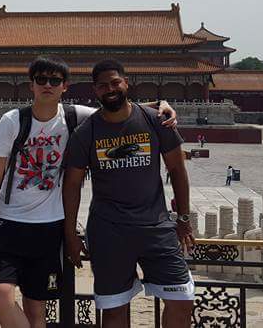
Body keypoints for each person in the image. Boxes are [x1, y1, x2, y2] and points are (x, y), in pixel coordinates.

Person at [0, 56, 177, 328]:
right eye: (41, 80)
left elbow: (117, 107)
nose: (47, 85)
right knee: (0, 293)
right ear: (31, 85)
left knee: (36, 309)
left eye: (55, 81)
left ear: (65, 86)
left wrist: (161, 104)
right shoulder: (12, 120)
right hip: (8, 223)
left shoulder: (75, 116)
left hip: (49, 226)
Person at [63, 60, 195, 327]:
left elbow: (177, 170)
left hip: (156, 227)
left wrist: (183, 218)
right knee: (114, 310)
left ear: (126, 83)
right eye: (103, 86)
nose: (110, 89)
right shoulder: (86, 133)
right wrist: (70, 235)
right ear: (95, 90)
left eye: (115, 83)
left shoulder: (155, 120)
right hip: (108, 232)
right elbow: (72, 185)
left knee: (182, 300)